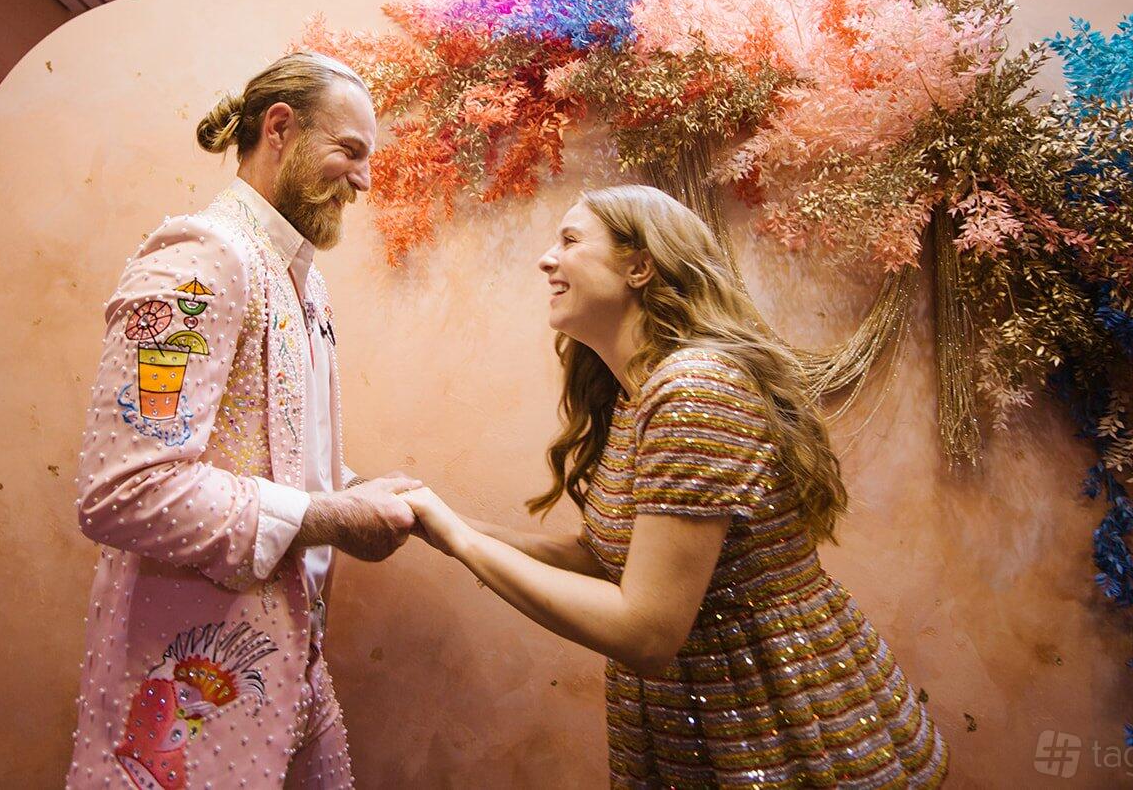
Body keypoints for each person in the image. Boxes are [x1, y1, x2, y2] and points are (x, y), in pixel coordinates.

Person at [402, 185, 948, 788]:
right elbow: (601, 558)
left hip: (780, 722)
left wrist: (462, 541)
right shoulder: (640, 391)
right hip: (704, 723)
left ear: (640, 266)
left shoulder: (692, 390)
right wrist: (435, 520)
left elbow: (647, 631)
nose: (546, 259)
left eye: (570, 240)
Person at [67, 52, 421, 790]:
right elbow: (123, 489)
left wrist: (356, 489)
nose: (364, 179)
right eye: (349, 151)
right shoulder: (203, 258)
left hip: (295, 663)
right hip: (191, 697)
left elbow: (276, 458)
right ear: (281, 129)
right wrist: (332, 516)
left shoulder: (302, 280)